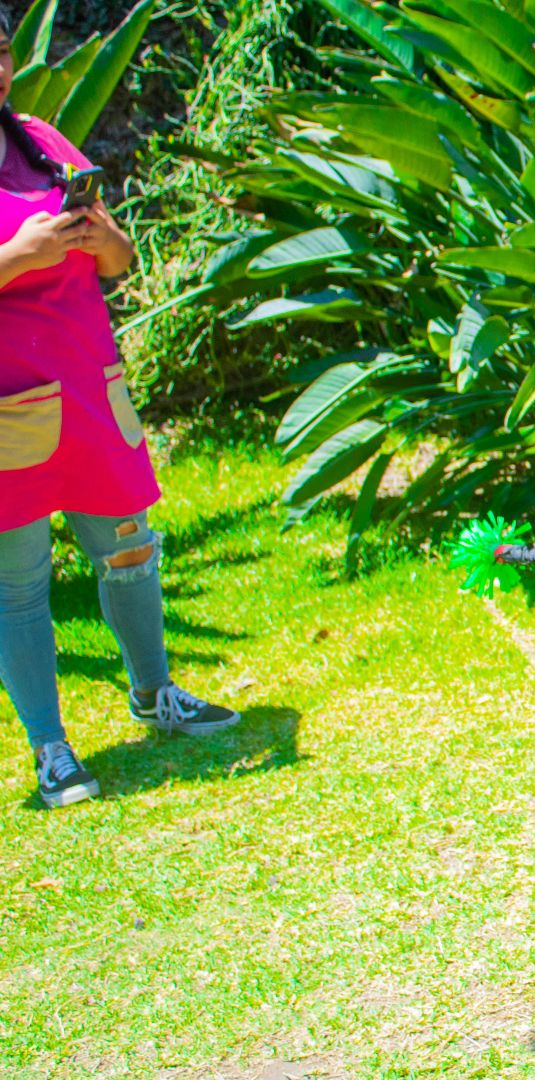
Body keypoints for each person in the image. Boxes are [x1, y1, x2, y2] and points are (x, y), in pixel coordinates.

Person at [0, 11, 239, 810]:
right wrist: (18, 256)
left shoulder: (36, 135)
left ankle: (156, 695)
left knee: (129, 547)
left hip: (87, 387)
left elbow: (120, 257)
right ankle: (51, 749)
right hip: (7, 408)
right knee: (18, 584)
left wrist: (101, 243)